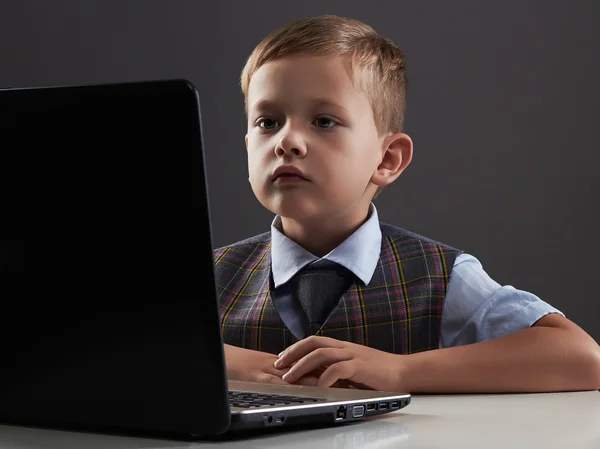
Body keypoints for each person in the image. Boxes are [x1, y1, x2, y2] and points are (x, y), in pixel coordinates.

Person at [213, 15, 600, 393]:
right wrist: (237, 363)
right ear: (249, 148)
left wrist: (402, 370)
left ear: (387, 160)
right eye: (268, 122)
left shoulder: (441, 277)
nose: (287, 142)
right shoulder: (208, 276)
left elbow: (582, 358)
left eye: (324, 121)